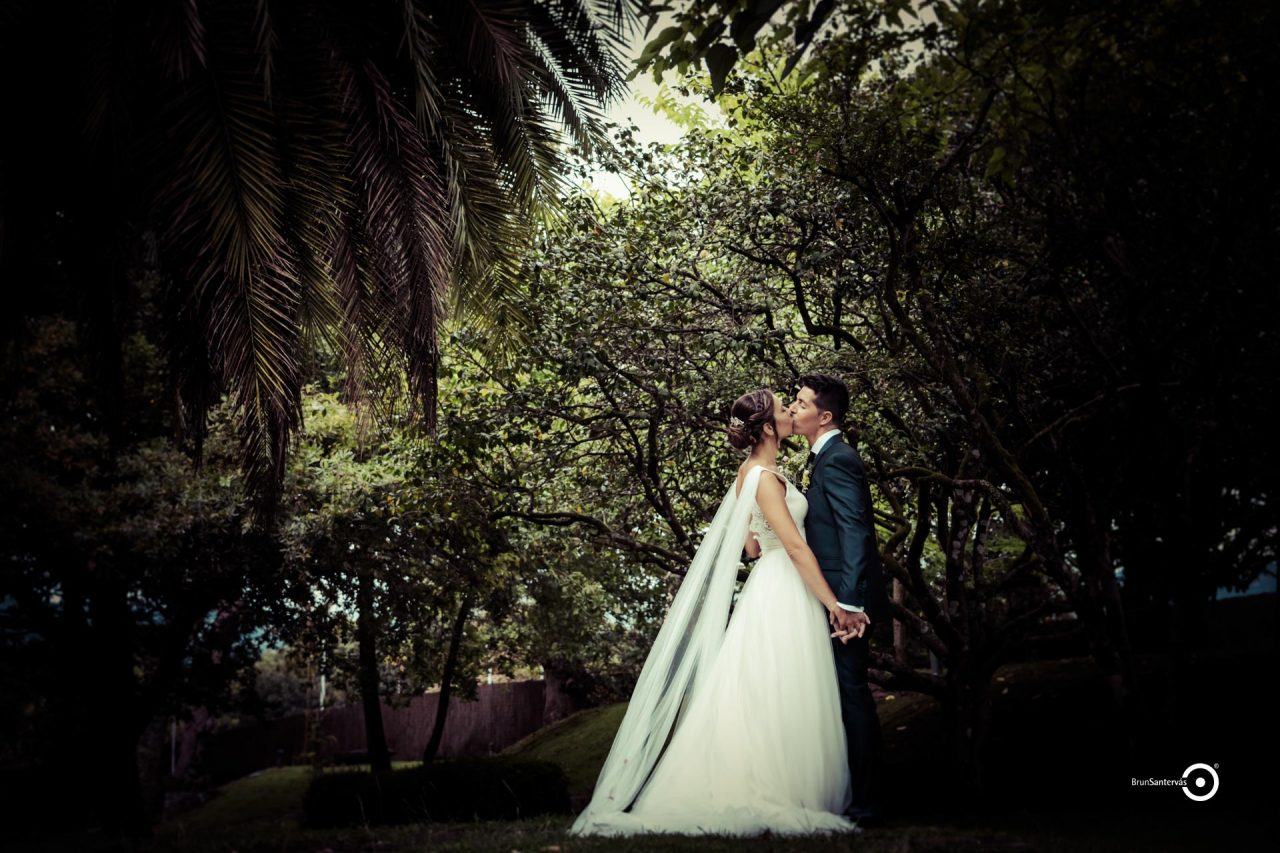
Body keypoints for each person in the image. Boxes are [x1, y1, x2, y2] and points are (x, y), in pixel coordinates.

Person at [568, 388, 868, 838]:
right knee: (783, 686)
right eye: (784, 410)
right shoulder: (764, 477)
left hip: (769, 583)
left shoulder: (751, 474)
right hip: (784, 585)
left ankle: (777, 782)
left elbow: (750, 545)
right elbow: (794, 546)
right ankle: (779, 789)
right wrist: (834, 605)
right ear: (768, 427)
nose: (790, 413)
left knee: (767, 688)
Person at [789, 373, 891, 825]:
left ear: (823, 416)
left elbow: (856, 532)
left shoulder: (838, 460)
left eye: (801, 402)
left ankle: (868, 802)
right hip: (827, 594)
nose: (793, 408)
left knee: (852, 694)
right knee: (837, 694)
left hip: (842, 602)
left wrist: (849, 604)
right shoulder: (821, 459)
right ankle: (846, 792)